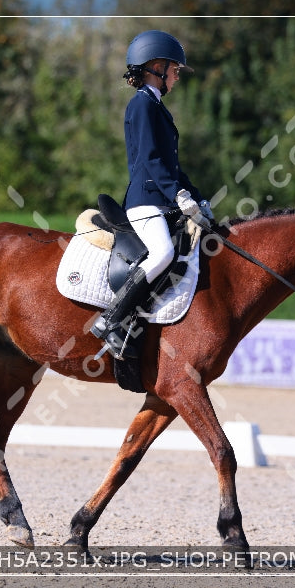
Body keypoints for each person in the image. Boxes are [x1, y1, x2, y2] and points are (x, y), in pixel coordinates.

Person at [91, 30, 204, 360]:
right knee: (162, 255)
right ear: (157, 66)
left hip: (162, 198)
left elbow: (173, 166)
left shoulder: (156, 107)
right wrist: (177, 195)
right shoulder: (142, 105)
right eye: (175, 69)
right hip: (146, 201)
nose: (177, 76)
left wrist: (196, 195)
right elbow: (152, 160)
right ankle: (111, 321)